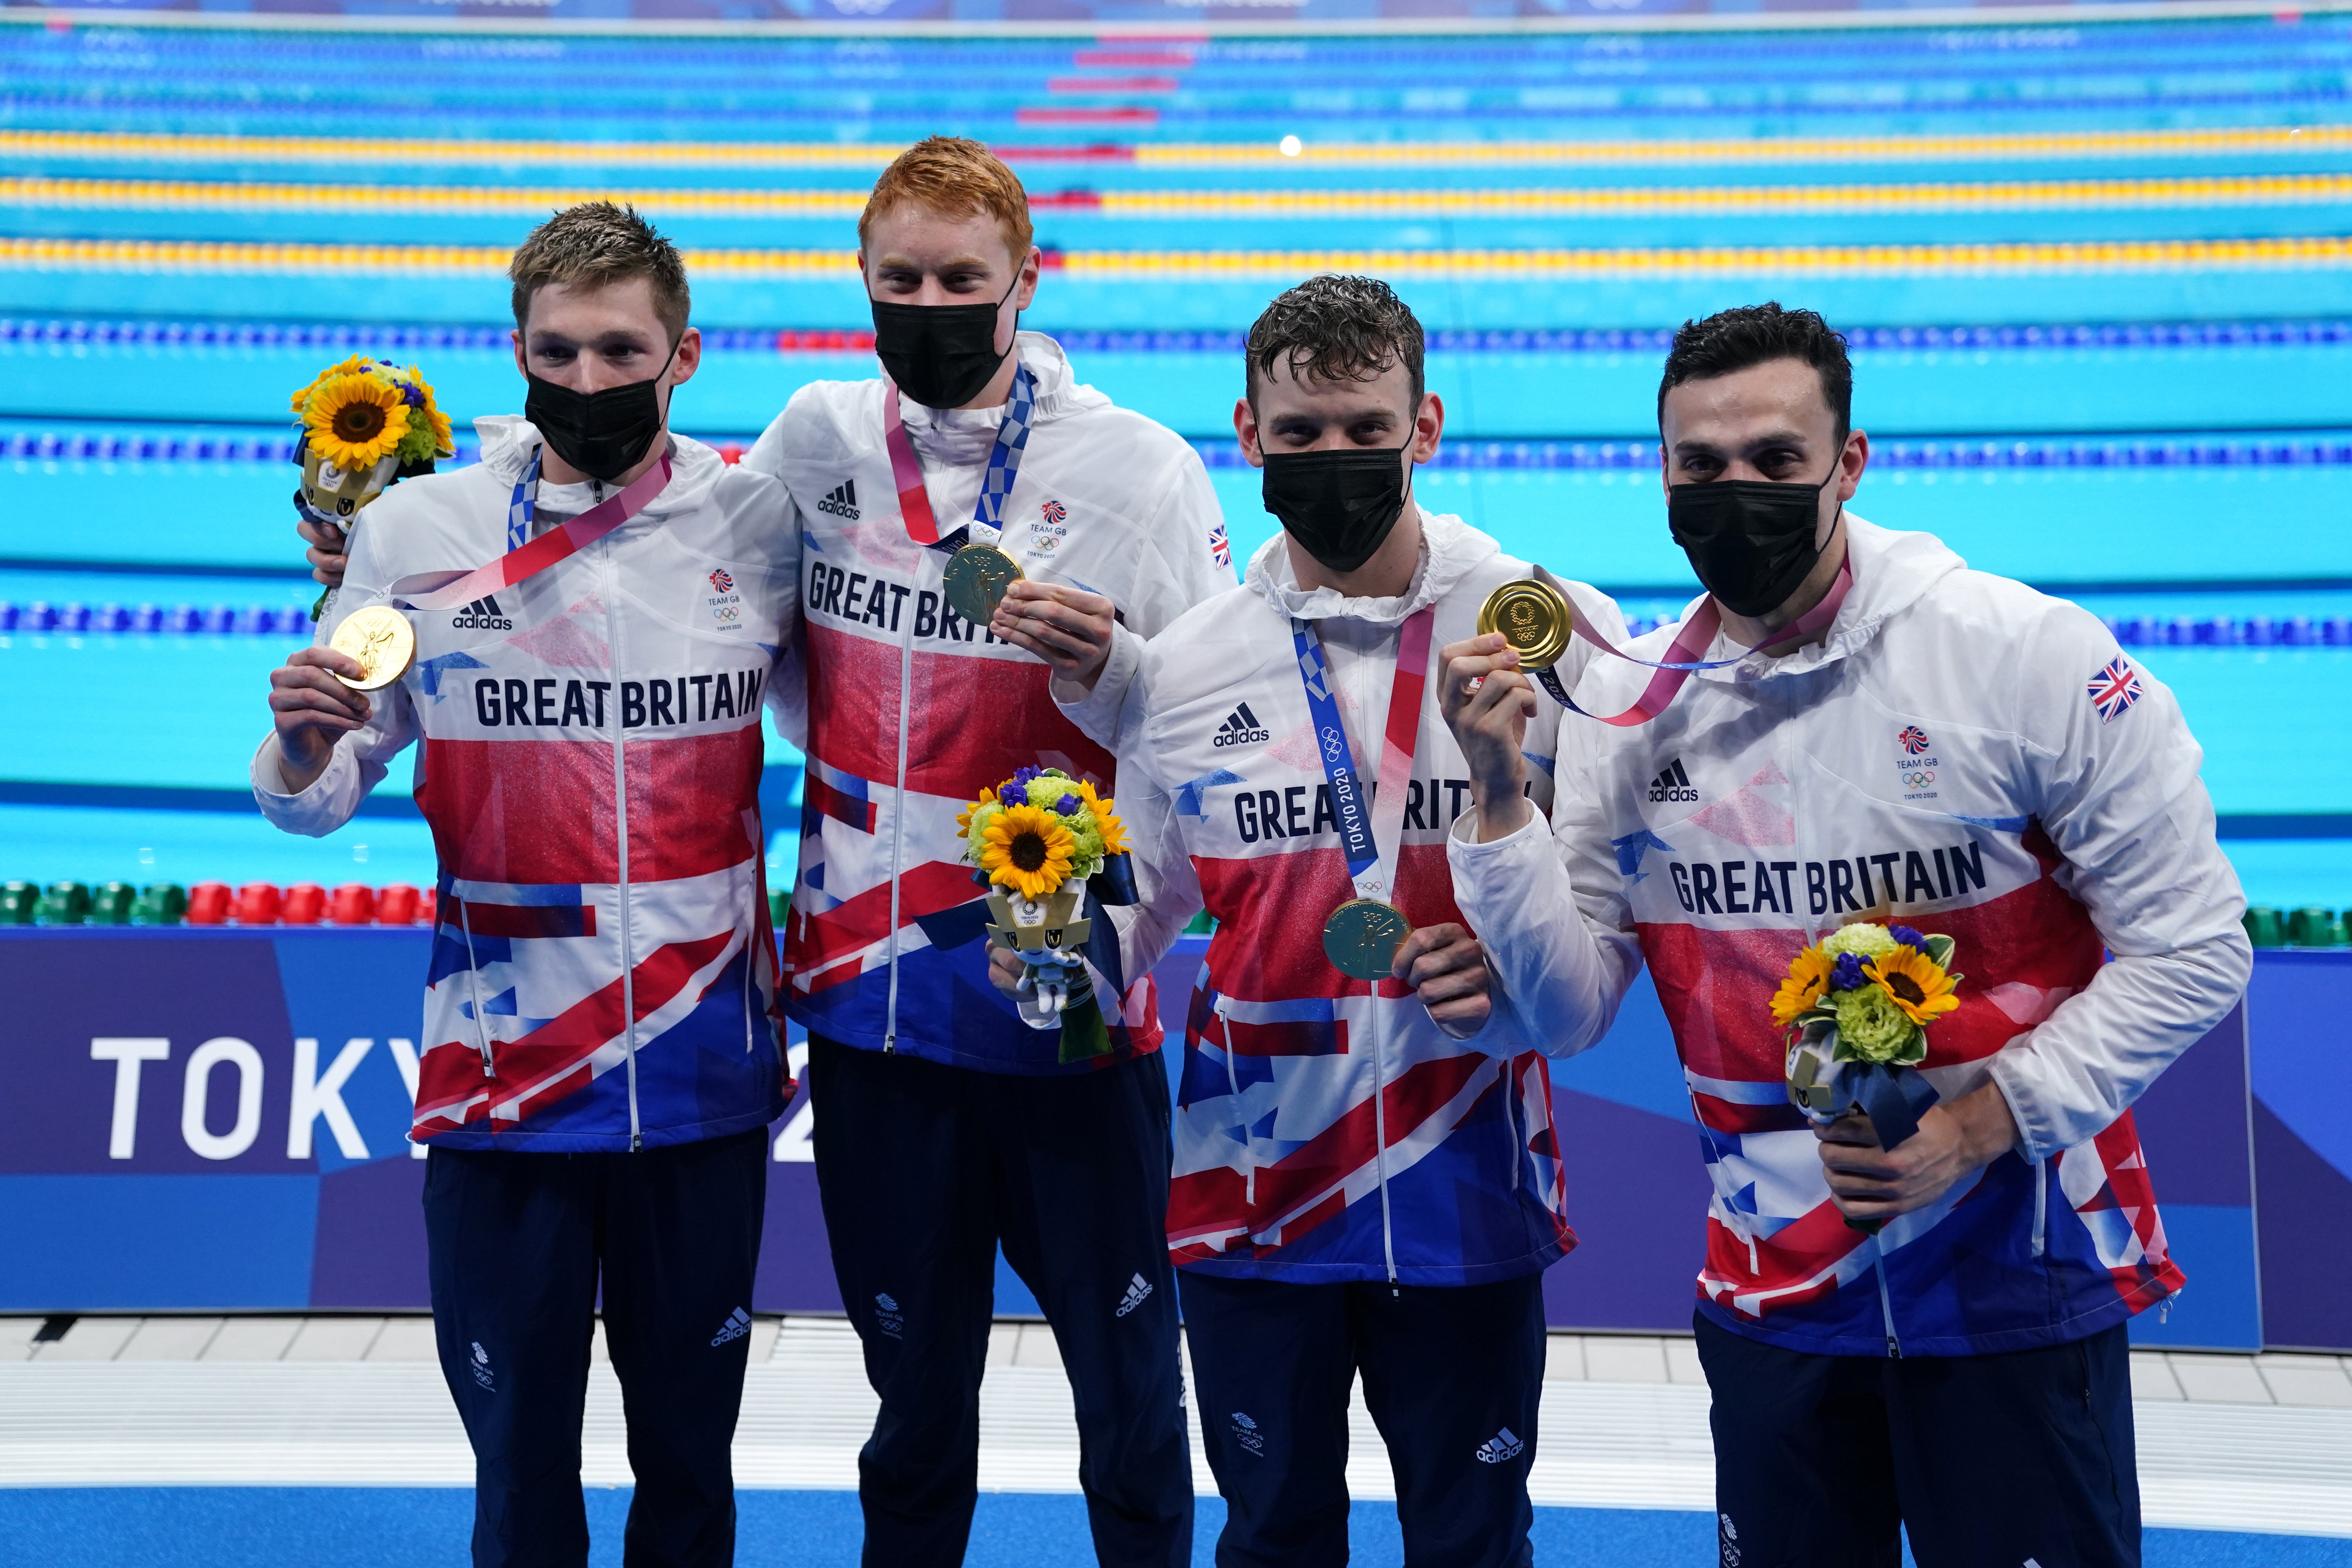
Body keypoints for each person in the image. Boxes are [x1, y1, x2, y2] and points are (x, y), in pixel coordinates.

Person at [1439, 303, 2252, 1568]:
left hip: (2016, 1288)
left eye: (1774, 459)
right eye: (1700, 466)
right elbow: (1565, 1012)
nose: (1736, 490)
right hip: (1774, 1304)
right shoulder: (1627, 709)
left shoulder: (2019, 655)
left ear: (1848, 462)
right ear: (1660, 473)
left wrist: (1981, 1126)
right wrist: (1496, 801)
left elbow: (2196, 941)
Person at [1033, 274, 1626, 1568]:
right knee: (1269, 1535)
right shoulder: (1188, 663)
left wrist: (1498, 793)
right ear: (1246, 436)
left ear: (1426, 427)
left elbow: (1585, 970)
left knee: (1471, 1541)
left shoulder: (1549, 633)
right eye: (1300, 435)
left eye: (1366, 428)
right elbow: (1141, 907)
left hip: (1464, 1179)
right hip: (1254, 1189)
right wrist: (1053, 938)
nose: (1334, 458)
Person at [257, 203, 795, 1567]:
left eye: (624, 352)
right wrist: (301, 736)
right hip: (505, 1084)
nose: (589, 382)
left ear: (684, 357)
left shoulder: (754, 522)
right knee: (519, 1474)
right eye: (557, 353)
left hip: (702, 1076)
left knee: (690, 1467)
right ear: (516, 350)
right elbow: (313, 800)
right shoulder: (415, 533)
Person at [741, 136, 1230, 1568]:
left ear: (1026, 277)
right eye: (901, 278)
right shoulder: (814, 441)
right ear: (863, 281)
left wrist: (1114, 943)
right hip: (874, 1020)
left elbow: (1204, 740)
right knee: (910, 1405)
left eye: (963, 276)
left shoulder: (1137, 472)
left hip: (1070, 1029)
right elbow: (706, 609)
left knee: (1132, 1398)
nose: (931, 301)